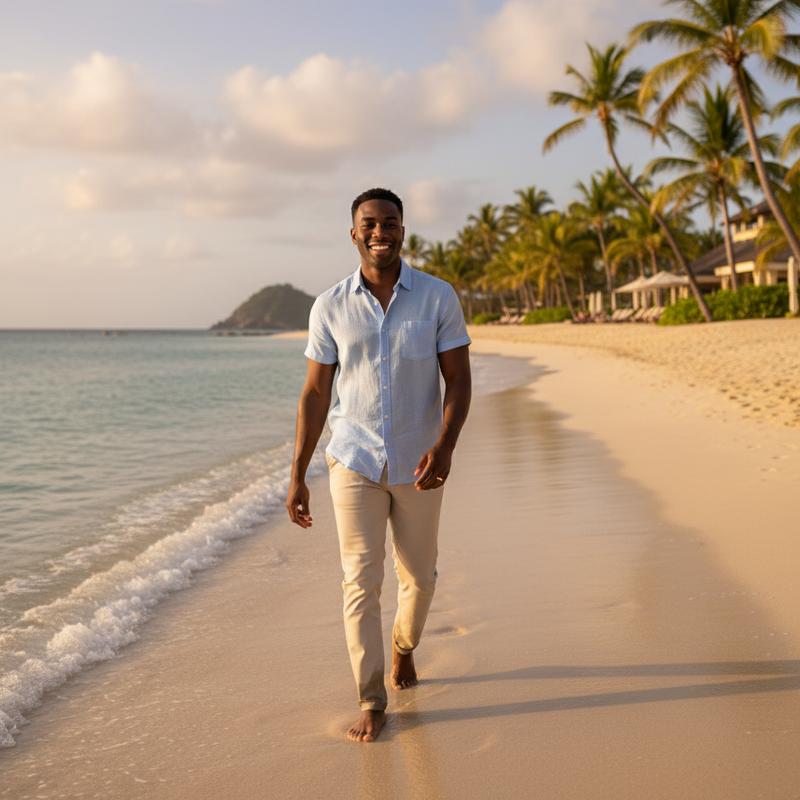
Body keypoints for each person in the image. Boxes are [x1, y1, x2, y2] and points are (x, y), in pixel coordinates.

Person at [285, 187, 472, 743]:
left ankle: (404, 646)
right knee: (360, 581)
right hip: (354, 460)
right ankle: (371, 698)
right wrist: (297, 472)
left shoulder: (438, 298)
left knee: (420, 576)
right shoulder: (329, 306)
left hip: (420, 462)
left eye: (389, 222)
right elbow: (316, 396)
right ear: (353, 234)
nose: (379, 232)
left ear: (402, 231)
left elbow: (458, 379)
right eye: (369, 223)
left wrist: (445, 446)